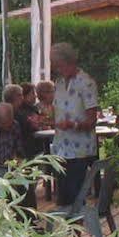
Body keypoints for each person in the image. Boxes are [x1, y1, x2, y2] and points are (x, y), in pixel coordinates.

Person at [47, 41, 101, 211]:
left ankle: (77, 234)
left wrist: (74, 124)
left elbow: (92, 120)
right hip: (61, 148)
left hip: (79, 151)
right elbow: (57, 111)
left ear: (69, 61)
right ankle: (68, 233)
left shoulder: (86, 83)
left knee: (75, 198)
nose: (56, 68)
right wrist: (47, 119)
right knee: (63, 199)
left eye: (58, 65)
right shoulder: (60, 83)